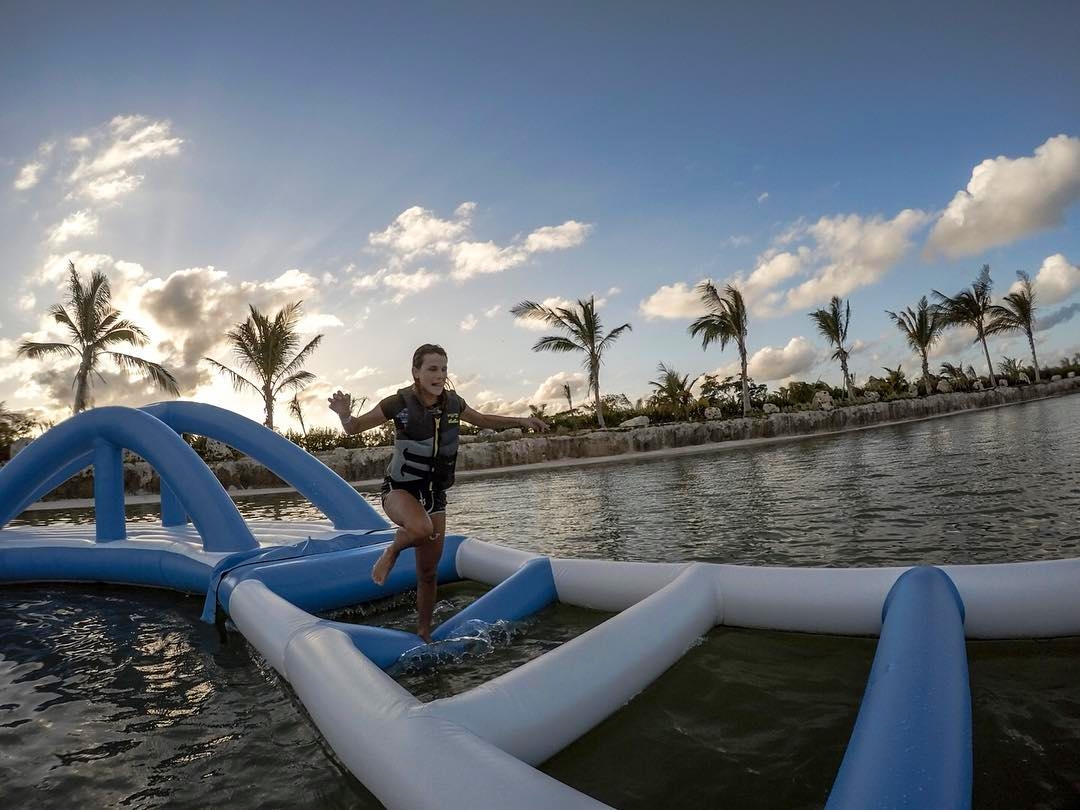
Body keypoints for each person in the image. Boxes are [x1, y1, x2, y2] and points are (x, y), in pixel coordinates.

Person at [328, 343, 549, 643]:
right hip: (400, 490)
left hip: (435, 494)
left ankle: (424, 632)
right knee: (420, 528)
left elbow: (483, 419)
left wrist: (520, 419)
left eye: (443, 369)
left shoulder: (454, 404)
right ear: (416, 372)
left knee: (428, 573)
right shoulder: (398, 403)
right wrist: (344, 415)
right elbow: (354, 428)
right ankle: (392, 550)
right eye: (432, 369)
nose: (439, 375)